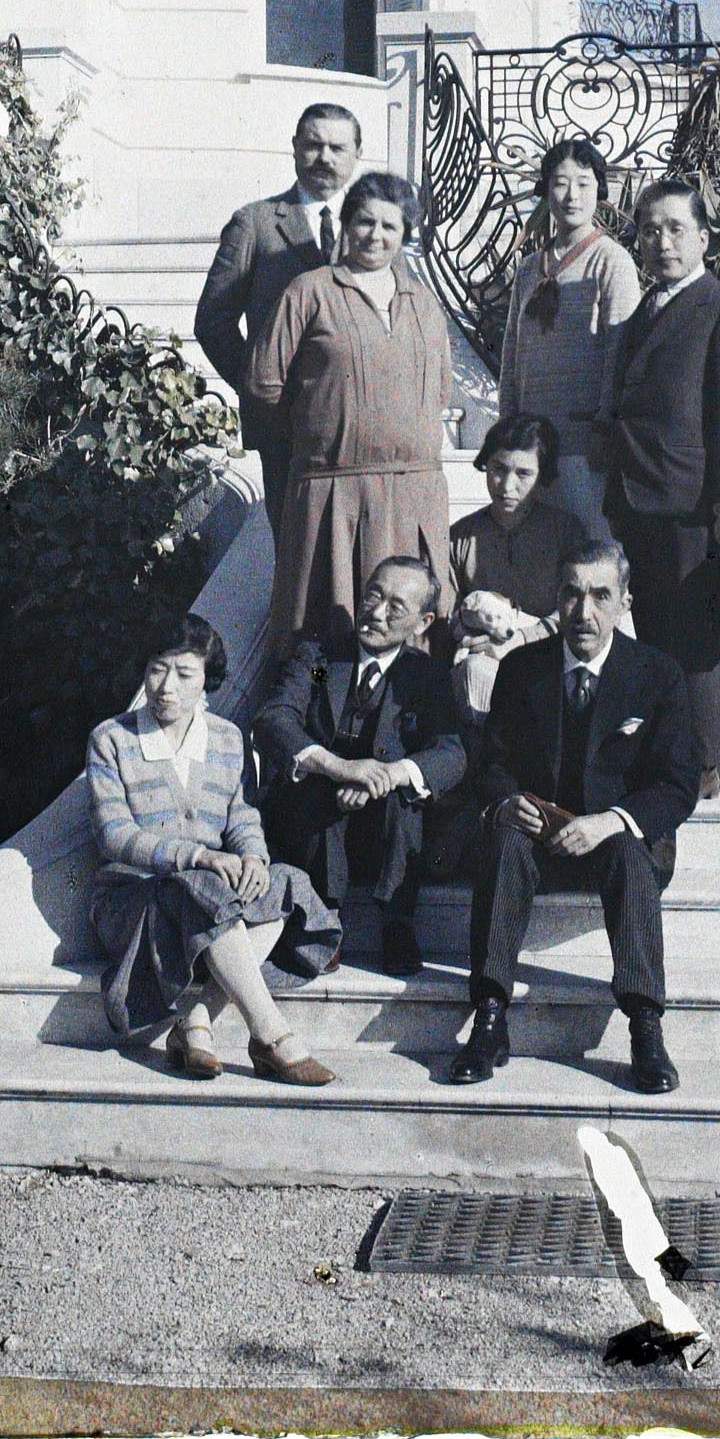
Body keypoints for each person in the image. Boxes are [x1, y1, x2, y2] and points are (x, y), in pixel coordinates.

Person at [445, 540, 699, 1095]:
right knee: (504, 842)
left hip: (615, 837)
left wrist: (611, 821)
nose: (584, 612)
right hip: (542, 834)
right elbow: (492, 762)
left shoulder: (656, 673)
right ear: (556, 599)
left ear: (625, 602)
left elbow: (678, 785)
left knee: (633, 856)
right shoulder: (521, 668)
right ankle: (489, 1017)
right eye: (572, 594)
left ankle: (644, 1026)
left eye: (601, 596)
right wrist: (505, 801)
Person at [85, 615, 341, 1086]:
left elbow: (241, 815)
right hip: (133, 900)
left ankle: (196, 1021)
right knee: (199, 886)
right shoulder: (112, 739)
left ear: (207, 680)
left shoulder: (225, 738)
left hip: (205, 904)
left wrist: (254, 859)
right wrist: (200, 857)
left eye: (184, 674)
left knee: (285, 882)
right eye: (158, 669)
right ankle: (270, 1034)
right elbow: (114, 836)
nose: (166, 688)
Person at [599, 179, 720, 803]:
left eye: (675, 228)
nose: (661, 241)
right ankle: (669, 747)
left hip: (692, 506)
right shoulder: (645, 310)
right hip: (637, 499)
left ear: (703, 237)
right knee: (655, 632)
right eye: (649, 229)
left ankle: (705, 761)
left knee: (697, 639)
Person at [246, 171, 453, 658]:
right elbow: (263, 384)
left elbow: (439, 388)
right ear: (345, 223)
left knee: (410, 620)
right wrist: (322, 437)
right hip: (333, 492)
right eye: (364, 222)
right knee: (323, 622)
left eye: (390, 226)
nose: (375, 236)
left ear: (405, 234)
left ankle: (402, 720)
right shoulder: (309, 291)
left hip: (413, 494)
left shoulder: (424, 303)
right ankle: (314, 707)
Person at [253, 558, 467, 977]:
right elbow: (277, 715)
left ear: (422, 622)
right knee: (320, 793)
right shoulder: (321, 661)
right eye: (374, 594)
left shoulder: (425, 677)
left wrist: (387, 776)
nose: (376, 612)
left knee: (407, 797)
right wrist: (337, 767)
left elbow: (452, 752)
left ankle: (397, 924)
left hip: (382, 827)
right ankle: (323, 920)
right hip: (315, 815)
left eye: (395, 607)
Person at [194, 103, 362, 532]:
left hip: (359, 419)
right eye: (313, 145)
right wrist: (261, 388)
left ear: (356, 154)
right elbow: (213, 321)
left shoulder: (373, 227)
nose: (325, 157)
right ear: (294, 149)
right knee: (294, 549)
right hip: (287, 426)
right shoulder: (256, 223)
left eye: (337, 148)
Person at [498, 138, 641, 539]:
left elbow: (620, 353)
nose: (571, 195)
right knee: (539, 555)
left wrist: (603, 427)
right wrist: (508, 428)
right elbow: (512, 352)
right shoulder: (529, 268)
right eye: (561, 183)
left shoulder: (612, 261)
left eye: (583, 183)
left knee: (590, 547)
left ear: (600, 189)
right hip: (530, 445)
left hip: (585, 445)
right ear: (546, 190)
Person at [446, 412, 582, 724]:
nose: (507, 486)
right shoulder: (460, 537)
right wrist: (471, 636)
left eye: (523, 474)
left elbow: (578, 606)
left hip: (550, 659)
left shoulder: (565, 531)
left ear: (542, 474)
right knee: (475, 671)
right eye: (498, 469)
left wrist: (521, 640)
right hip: (484, 664)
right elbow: (448, 612)